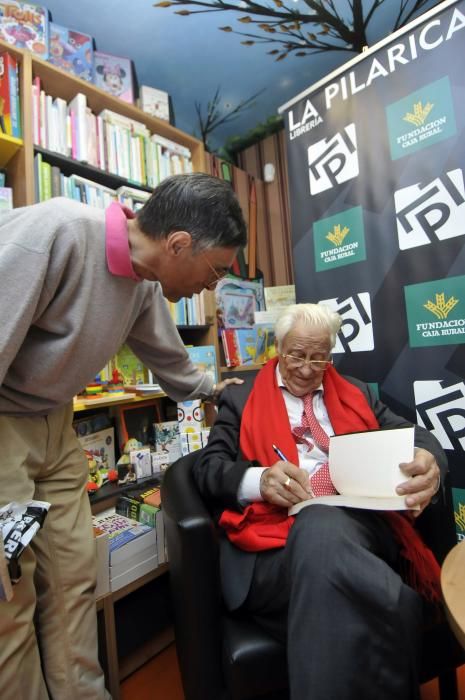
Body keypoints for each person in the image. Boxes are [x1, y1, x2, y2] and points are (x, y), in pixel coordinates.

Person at [0, 172, 247, 700]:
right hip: (3, 426)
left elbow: (170, 361)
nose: (213, 285)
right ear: (178, 244)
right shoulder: (61, 231)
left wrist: (215, 389)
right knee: (9, 594)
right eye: (215, 271)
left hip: (55, 426)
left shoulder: (142, 283)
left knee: (72, 579)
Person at [193, 303, 447, 700]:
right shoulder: (240, 400)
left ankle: (393, 605)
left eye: (320, 357)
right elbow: (209, 469)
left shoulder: (356, 393)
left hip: (361, 532)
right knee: (319, 528)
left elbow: (416, 436)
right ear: (278, 347)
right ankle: (396, 606)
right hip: (270, 549)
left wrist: (432, 461)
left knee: (321, 525)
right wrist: (260, 480)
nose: (309, 369)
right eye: (297, 355)